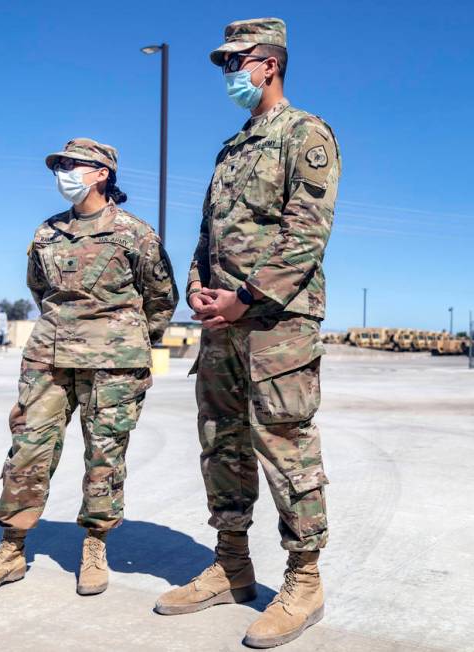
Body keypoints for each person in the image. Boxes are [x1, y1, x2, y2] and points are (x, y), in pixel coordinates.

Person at [153, 17, 341, 649]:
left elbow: (306, 234)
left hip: (277, 324)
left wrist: (247, 298)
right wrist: (199, 291)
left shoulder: (306, 133)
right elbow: (208, 235)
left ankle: (305, 579)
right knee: (222, 442)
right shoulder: (232, 148)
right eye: (223, 64)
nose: (228, 74)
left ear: (269, 63)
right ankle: (232, 563)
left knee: (285, 443)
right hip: (222, 325)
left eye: (236, 62)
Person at [0, 138, 178, 596]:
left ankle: (95, 545)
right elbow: (39, 290)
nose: (63, 172)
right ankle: (11, 549)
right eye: (59, 165)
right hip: (49, 356)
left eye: (72, 165)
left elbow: (160, 299)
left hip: (114, 362)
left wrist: (129, 340)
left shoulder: (135, 233)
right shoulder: (46, 233)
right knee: (27, 450)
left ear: (101, 173)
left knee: (104, 456)